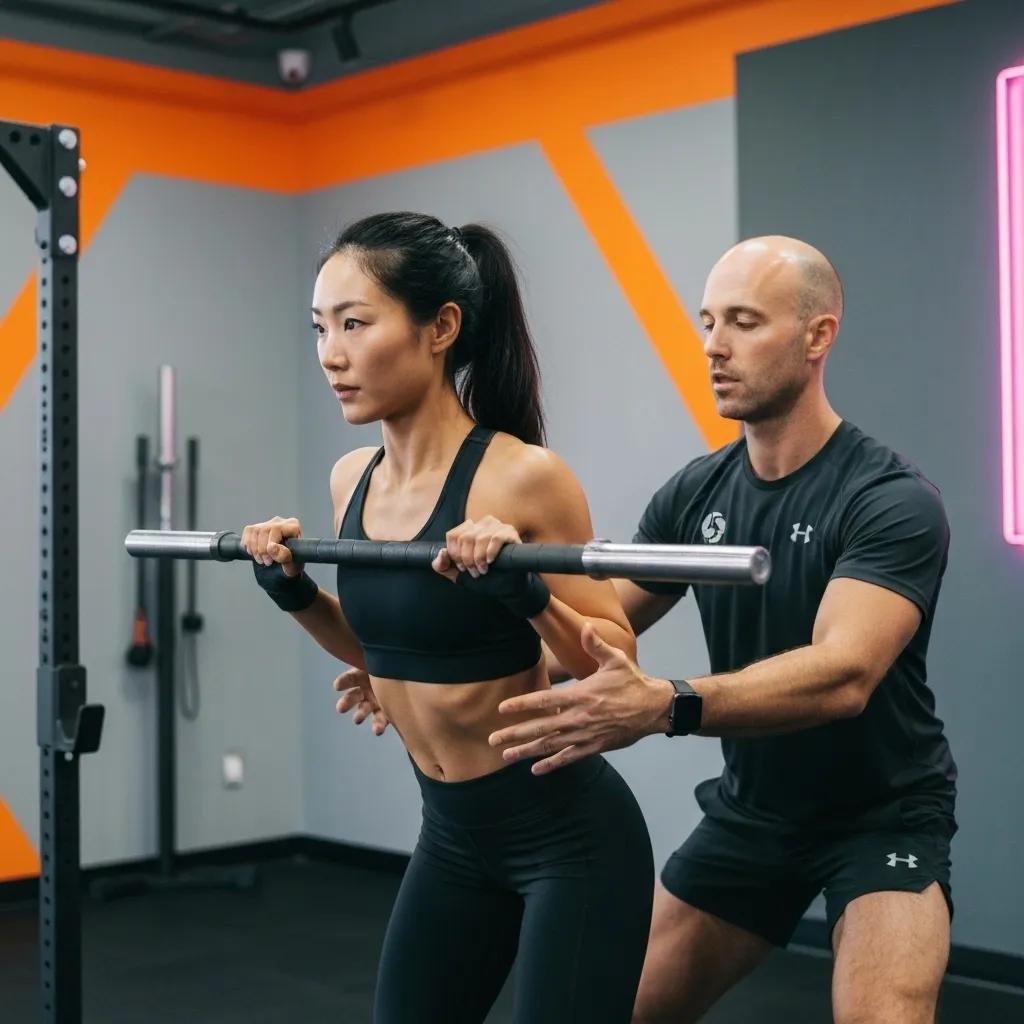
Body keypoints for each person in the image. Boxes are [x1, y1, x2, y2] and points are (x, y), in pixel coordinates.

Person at [463, 236, 957, 1023]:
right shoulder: (697, 495)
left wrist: (665, 704)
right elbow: (597, 633)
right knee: (610, 1009)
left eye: (744, 322)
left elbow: (843, 673)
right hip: (751, 816)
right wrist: (438, 657)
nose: (713, 346)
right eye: (707, 321)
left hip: (879, 816)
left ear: (817, 336)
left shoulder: (889, 500)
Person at [242, 212, 653, 1024]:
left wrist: (522, 592)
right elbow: (382, 646)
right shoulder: (348, 479)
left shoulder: (523, 478)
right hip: (453, 838)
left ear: (442, 328)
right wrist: (289, 587)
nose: (331, 353)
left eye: (356, 325)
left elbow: (615, 666)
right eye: (321, 328)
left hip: (569, 840)